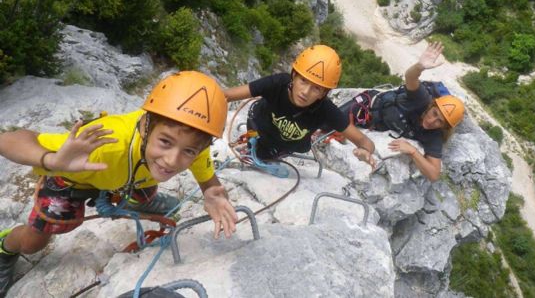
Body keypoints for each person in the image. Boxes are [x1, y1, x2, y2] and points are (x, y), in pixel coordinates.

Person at [0, 71, 238, 296]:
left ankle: (139, 200)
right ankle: (5, 247)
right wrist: (52, 159)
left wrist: (211, 191)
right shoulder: (107, 142)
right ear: (145, 126)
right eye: (165, 142)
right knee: (33, 244)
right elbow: (9, 140)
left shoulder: (191, 145)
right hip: (74, 174)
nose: (172, 160)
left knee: (146, 186)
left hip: (127, 175)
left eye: (188, 151)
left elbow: (206, 176)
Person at [224, 45, 377, 169]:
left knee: (272, 151)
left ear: (324, 93)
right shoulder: (277, 84)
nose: (305, 92)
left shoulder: (325, 109)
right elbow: (227, 95)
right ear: (294, 76)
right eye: (303, 81)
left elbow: (365, 142)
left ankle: (269, 150)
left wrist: (365, 151)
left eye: (316, 88)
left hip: (285, 145)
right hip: (259, 124)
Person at [338, 42, 464, 181]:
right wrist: (419, 66)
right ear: (431, 106)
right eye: (434, 113)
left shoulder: (434, 135)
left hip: (374, 125)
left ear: (444, 127)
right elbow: (411, 78)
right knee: (327, 124)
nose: (432, 121)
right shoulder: (421, 99)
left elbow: (434, 174)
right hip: (368, 106)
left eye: (440, 122)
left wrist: (413, 152)